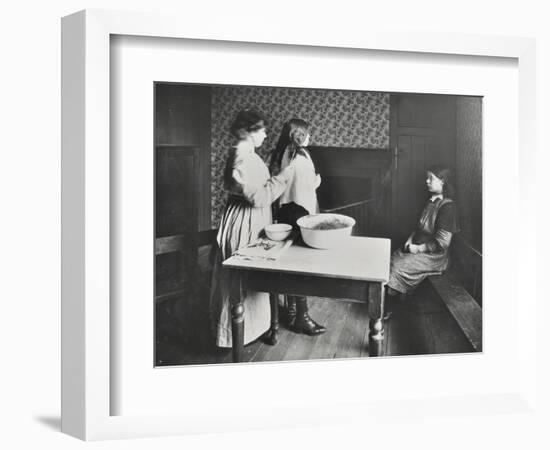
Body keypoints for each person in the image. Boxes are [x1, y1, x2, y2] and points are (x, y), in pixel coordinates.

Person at [209, 109, 295, 348]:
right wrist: (284, 175)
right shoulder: (241, 157)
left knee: (250, 279)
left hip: (252, 219)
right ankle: (233, 336)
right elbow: (258, 197)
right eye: (263, 130)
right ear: (249, 131)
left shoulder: (247, 154)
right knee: (240, 279)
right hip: (244, 221)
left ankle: (250, 330)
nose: (267, 135)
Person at [269, 118, 326, 336]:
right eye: (307, 133)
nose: (310, 137)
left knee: (291, 262)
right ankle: (302, 316)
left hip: (286, 211)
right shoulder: (301, 156)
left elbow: (288, 185)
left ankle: (292, 311)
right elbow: (304, 189)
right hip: (300, 212)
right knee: (302, 264)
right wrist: (317, 182)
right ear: (299, 135)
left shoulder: (284, 152)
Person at [386, 165, 460, 308]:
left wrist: (417, 249)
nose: (426, 181)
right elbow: (419, 228)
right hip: (418, 245)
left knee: (397, 267)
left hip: (435, 256)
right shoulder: (431, 201)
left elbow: (442, 243)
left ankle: (391, 307)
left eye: (430, 178)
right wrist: (409, 241)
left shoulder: (448, 207)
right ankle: (392, 301)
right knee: (391, 259)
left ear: (443, 181)